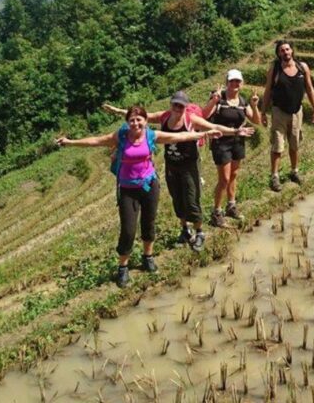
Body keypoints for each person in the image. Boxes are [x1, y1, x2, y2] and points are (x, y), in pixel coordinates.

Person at [56, 105, 222, 287]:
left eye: (139, 119)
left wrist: (204, 134)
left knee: (148, 223)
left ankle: (148, 257)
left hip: (150, 185)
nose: (135, 123)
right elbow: (96, 140)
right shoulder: (120, 136)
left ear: (145, 121)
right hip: (127, 188)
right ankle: (123, 268)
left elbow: (179, 136)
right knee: (128, 229)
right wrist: (71, 142)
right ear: (127, 122)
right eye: (132, 120)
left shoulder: (151, 135)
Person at [102, 92, 254, 252]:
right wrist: (116, 110)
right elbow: (141, 116)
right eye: (175, 104)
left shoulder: (190, 119)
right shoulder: (164, 116)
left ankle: (199, 232)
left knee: (191, 198)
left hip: (189, 165)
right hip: (172, 165)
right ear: (171, 104)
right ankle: (185, 229)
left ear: (186, 107)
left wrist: (235, 132)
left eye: (181, 106)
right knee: (177, 198)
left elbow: (214, 127)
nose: (177, 108)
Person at [202, 69, 261, 227]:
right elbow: (204, 116)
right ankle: (216, 212)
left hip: (237, 142)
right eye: (232, 81)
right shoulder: (219, 100)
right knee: (224, 179)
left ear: (241, 83)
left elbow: (257, 120)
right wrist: (213, 101)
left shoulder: (242, 102)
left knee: (233, 175)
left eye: (238, 81)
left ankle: (231, 205)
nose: (235, 84)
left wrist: (254, 106)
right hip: (221, 143)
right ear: (227, 82)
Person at [261, 40, 314, 192]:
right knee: (277, 146)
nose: (285, 52)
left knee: (294, 144)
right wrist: (262, 112)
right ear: (278, 54)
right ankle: (274, 176)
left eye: (287, 49)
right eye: (282, 50)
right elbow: (268, 91)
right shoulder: (275, 69)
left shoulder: (302, 67)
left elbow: (310, 89)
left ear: (292, 51)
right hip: (279, 112)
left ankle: (294, 171)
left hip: (296, 112)